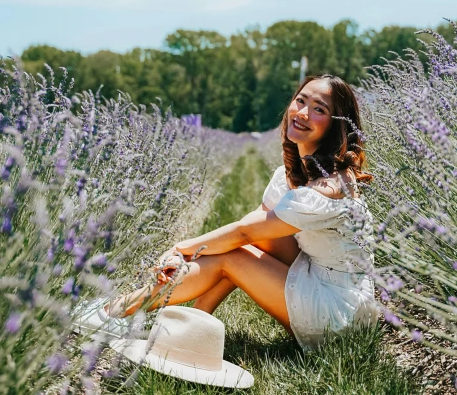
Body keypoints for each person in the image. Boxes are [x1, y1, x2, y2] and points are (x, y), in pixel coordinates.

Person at [85, 74, 379, 351]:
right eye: (300, 101)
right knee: (240, 247)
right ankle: (181, 331)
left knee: (232, 255)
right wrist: (198, 250)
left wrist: (182, 249)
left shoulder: (329, 185)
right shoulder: (292, 174)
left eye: (318, 109)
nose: (302, 112)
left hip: (339, 313)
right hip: (324, 285)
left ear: (336, 125)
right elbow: (251, 226)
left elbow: (243, 232)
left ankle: (114, 313)